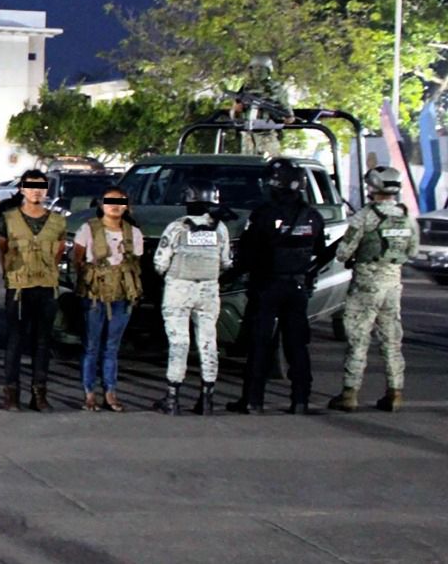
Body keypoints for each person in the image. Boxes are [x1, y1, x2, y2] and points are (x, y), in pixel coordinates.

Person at [229, 160, 333, 415]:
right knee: (297, 345)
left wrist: (230, 276)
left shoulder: (263, 214)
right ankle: (300, 400)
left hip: (266, 285)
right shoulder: (312, 216)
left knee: (259, 343)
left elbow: (248, 254)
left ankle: (253, 401)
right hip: (297, 286)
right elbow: (320, 251)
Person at [327, 166, 419, 413]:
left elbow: (343, 252)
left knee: (358, 338)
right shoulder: (406, 215)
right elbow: (412, 251)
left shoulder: (365, 216)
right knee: (391, 339)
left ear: (373, 187)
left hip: (366, 284)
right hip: (393, 284)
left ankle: (350, 393)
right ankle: (395, 392)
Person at [151, 182, 232, 415]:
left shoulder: (177, 227)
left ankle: (172, 398)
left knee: (179, 342)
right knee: (208, 342)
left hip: (179, 289)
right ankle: (207, 399)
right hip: (208, 290)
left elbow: (160, 263)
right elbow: (226, 263)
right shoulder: (220, 228)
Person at [0, 170, 65, 412]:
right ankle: (11, 392)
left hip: (46, 286)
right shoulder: (8, 218)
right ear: (22, 189)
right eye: (31, 186)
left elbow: (58, 252)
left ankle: (39, 393)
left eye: (41, 187)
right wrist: (10, 276)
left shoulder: (57, 221)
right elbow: (2, 250)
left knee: (43, 341)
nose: (36, 191)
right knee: (15, 340)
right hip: (19, 286)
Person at [73, 188, 143, 412]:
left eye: (120, 201)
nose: (115, 205)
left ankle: (110, 392)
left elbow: (135, 264)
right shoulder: (88, 229)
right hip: (95, 296)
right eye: (110, 201)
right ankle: (89, 394)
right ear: (101, 205)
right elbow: (78, 259)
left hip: (122, 296)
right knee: (91, 346)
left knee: (112, 347)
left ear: (127, 206)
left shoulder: (133, 233)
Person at [231, 54, 293, 157]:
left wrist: (280, 115)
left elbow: (289, 116)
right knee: (247, 164)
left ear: (268, 70)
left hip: (267, 135)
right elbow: (234, 113)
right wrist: (237, 110)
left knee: (270, 163)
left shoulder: (275, 88)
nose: (257, 71)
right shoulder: (245, 88)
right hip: (248, 136)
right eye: (255, 68)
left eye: (261, 68)